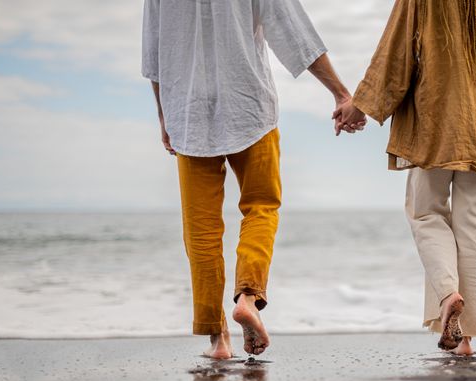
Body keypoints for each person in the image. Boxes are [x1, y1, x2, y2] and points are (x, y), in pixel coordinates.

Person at [142, 0, 364, 359]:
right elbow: (291, 29)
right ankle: (247, 295)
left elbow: (155, 53)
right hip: (249, 105)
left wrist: (164, 115)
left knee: (202, 229)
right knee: (261, 206)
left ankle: (218, 340)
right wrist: (340, 92)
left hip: (188, 111)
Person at [335, 0, 476, 355]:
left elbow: (397, 48)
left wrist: (361, 104)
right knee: (475, 224)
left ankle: (447, 295)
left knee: (426, 212)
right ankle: (466, 339)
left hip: (436, 114)